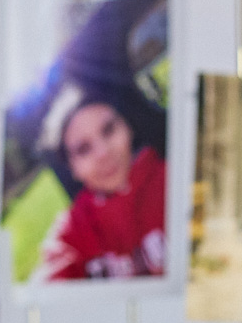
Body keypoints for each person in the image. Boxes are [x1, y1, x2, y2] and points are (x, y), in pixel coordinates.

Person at [36, 86, 169, 283]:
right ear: (72, 168)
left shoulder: (173, 178)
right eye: (84, 149)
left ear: (127, 126)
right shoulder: (73, 232)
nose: (103, 153)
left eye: (108, 130)